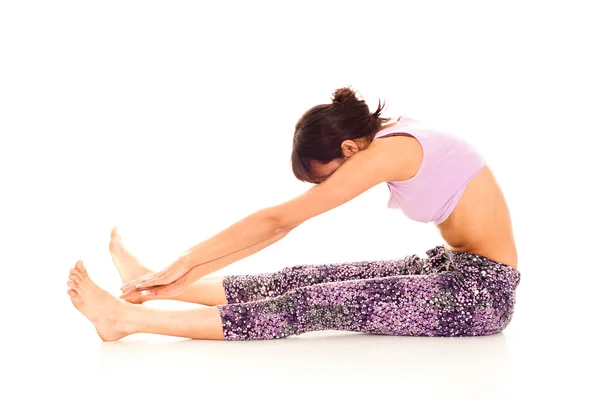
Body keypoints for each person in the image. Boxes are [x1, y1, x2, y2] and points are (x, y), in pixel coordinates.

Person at [67, 87, 521, 341]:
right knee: (301, 279)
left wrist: (185, 262)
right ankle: (154, 287)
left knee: (307, 305)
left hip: (480, 298)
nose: (332, 188)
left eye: (328, 177)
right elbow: (278, 228)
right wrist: (180, 274)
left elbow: (280, 220)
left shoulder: (387, 154)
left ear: (348, 148)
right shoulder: (393, 136)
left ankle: (128, 320)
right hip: (452, 270)